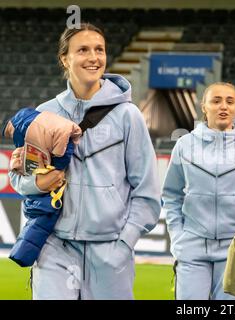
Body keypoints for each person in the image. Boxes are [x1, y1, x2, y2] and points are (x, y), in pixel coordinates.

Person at [8, 23, 161, 300]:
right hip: (55, 246)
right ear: (65, 59)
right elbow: (20, 178)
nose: (94, 57)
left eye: (99, 50)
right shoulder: (44, 113)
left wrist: (124, 243)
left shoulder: (129, 115)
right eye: (83, 50)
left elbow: (147, 192)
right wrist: (37, 181)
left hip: (110, 252)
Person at [162, 82, 235, 300]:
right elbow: (171, 195)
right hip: (192, 246)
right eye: (216, 100)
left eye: (230, 101)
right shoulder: (184, 144)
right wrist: (178, 237)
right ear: (204, 106)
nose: (224, 107)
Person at [2, 107, 82, 267]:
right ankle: (23, 254)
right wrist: (38, 182)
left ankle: (23, 253)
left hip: (98, 236)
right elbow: (17, 180)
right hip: (53, 238)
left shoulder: (124, 117)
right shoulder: (44, 110)